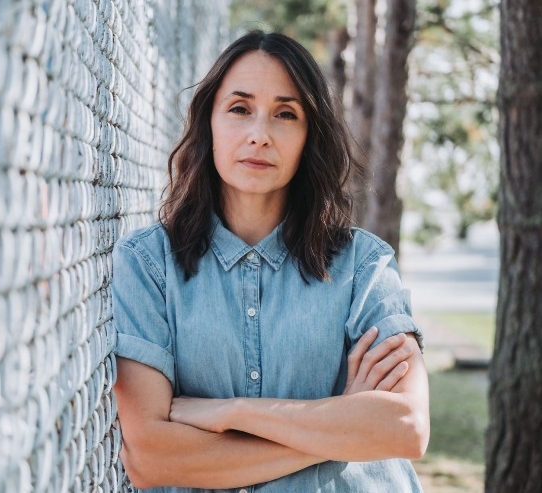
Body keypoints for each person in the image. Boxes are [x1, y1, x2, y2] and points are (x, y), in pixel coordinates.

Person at [111, 30, 429, 492]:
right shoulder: (148, 265)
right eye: (240, 109)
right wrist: (343, 424)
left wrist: (230, 412)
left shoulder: (365, 265)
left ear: (308, 136)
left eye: (285, 114)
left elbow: (405, 428)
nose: (259, 135)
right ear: (209, 124)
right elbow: (151, 457)